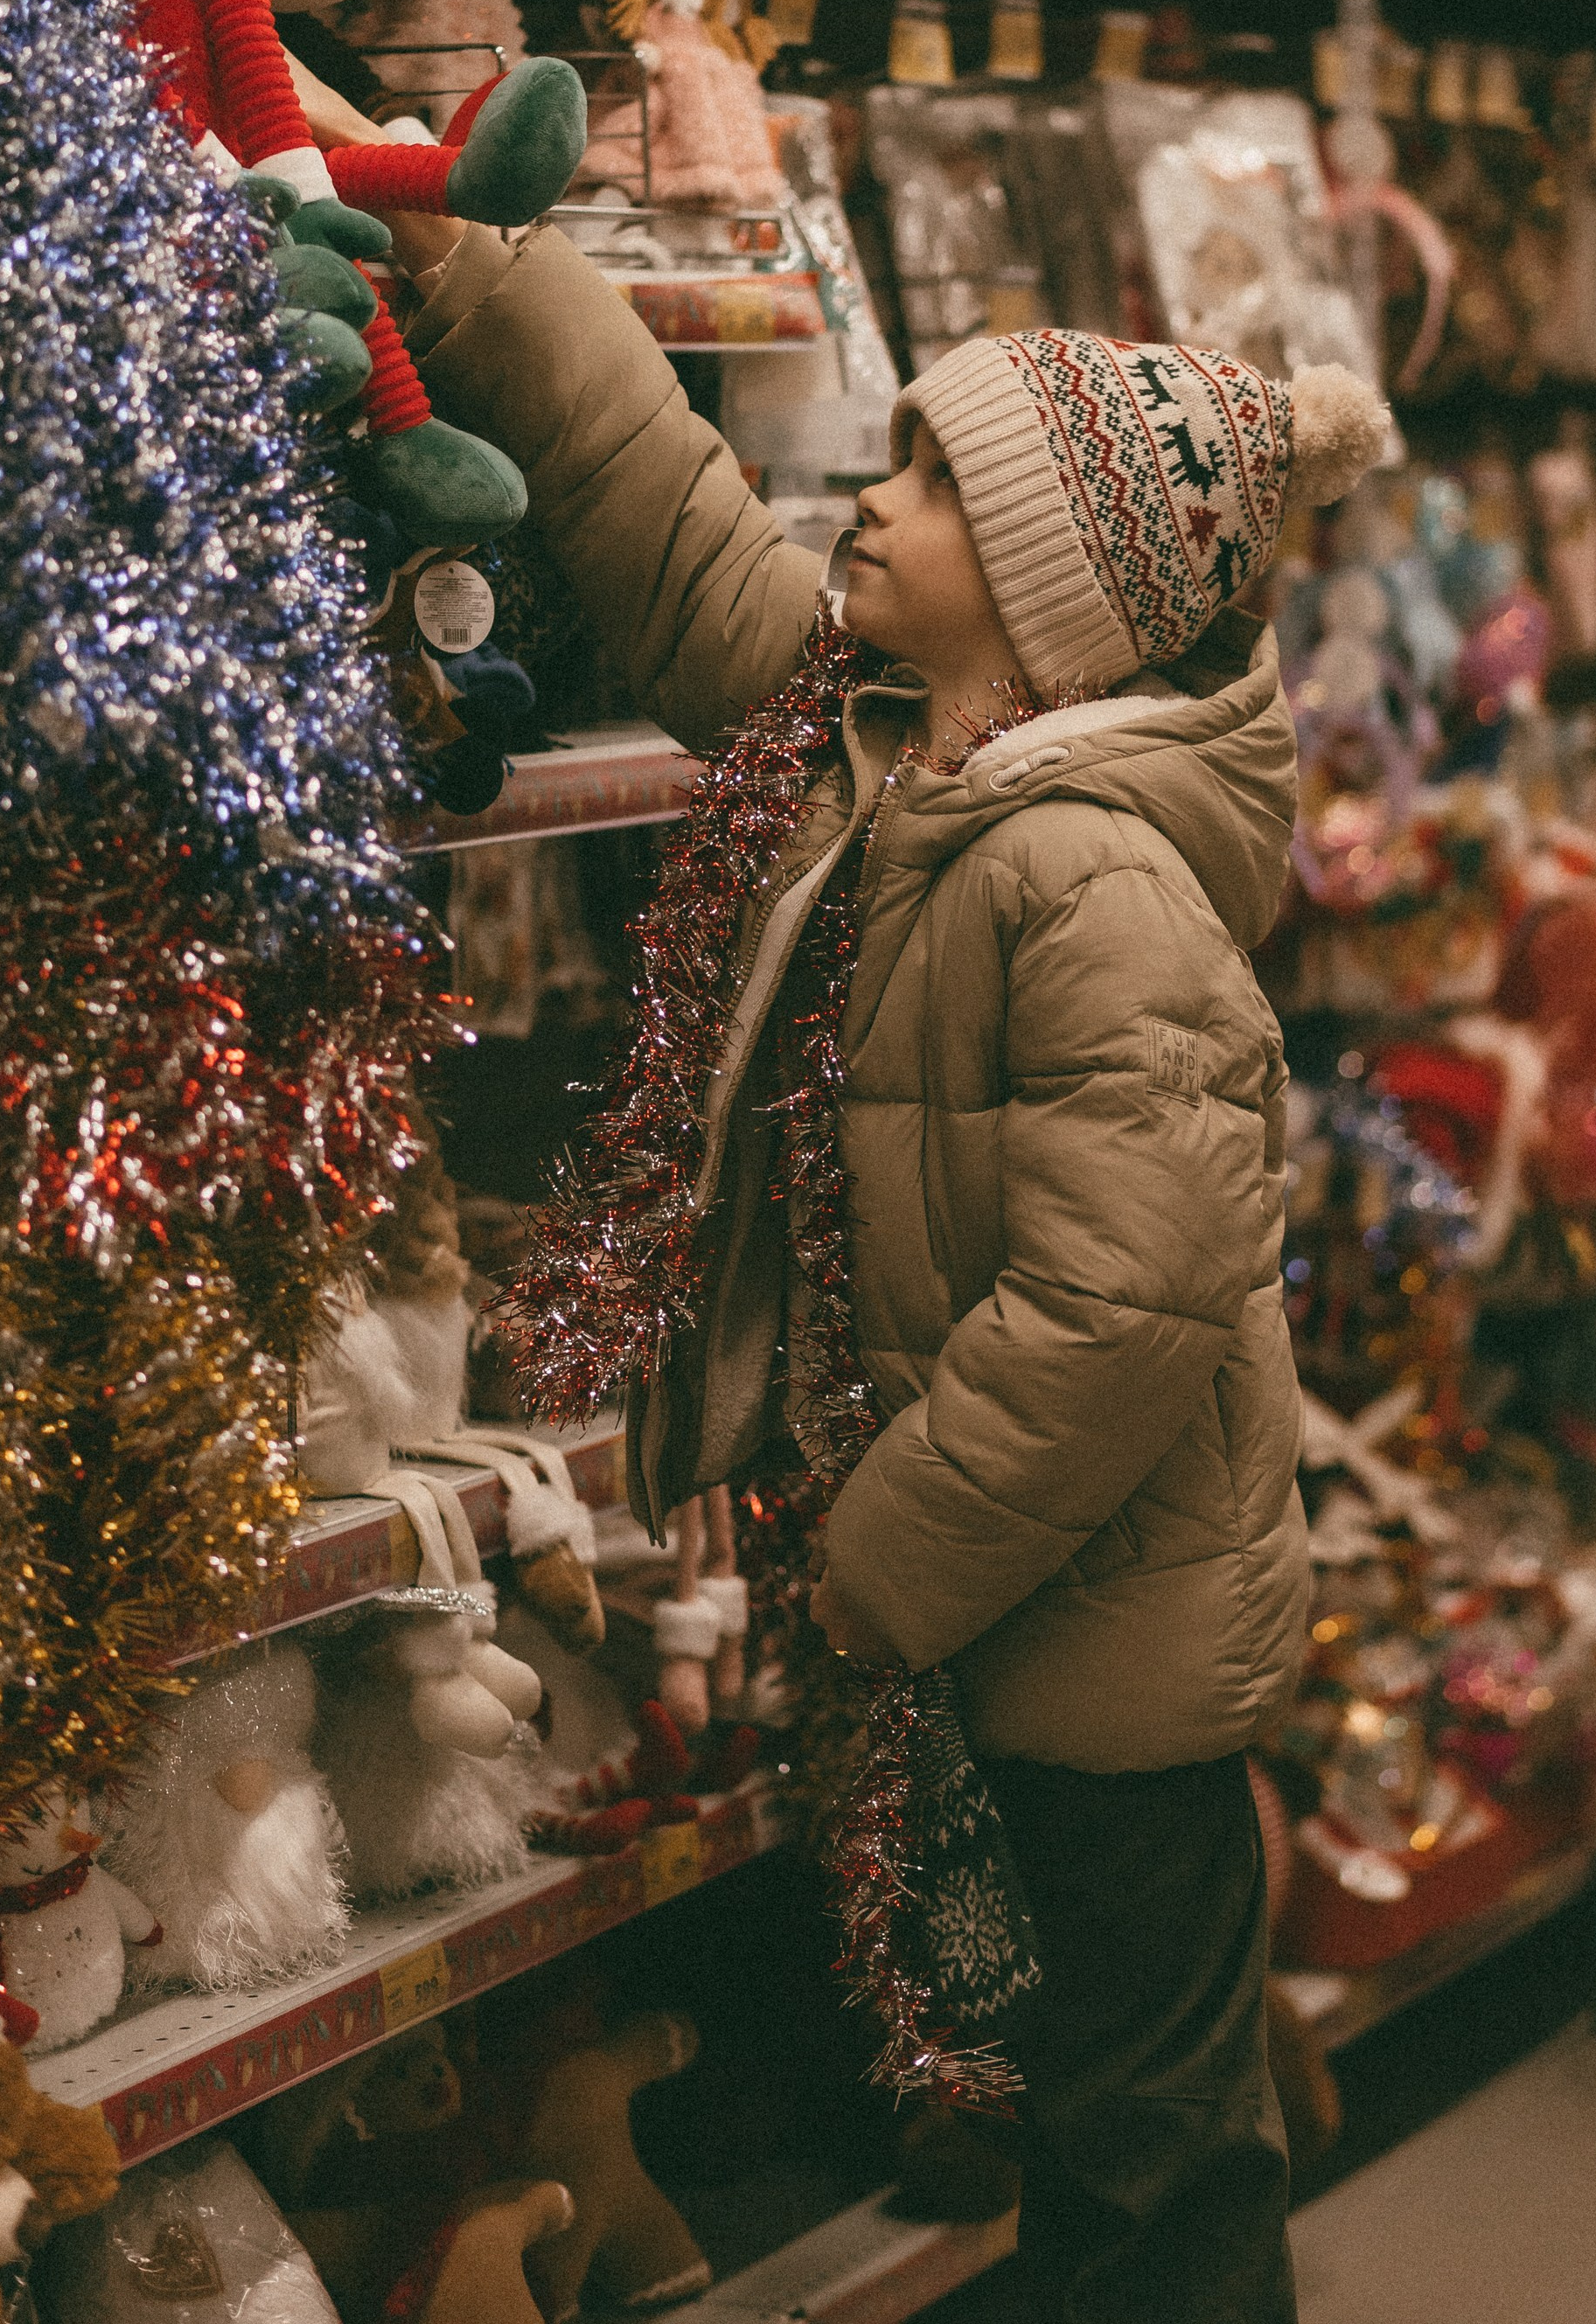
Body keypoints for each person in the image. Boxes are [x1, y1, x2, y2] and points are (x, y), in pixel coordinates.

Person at [387, 205, 1389, 2323]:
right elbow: (687, 551)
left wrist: (880, 1559)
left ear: (1046, 608)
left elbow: (1125, 1305)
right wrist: (494, 288)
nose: (876, 496)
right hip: (988, 1609)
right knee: (1074, 2121)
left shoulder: (1093, 880)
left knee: (1158, 2155)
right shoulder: (895, 758)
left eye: (935, 482)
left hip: (1104, 1648)